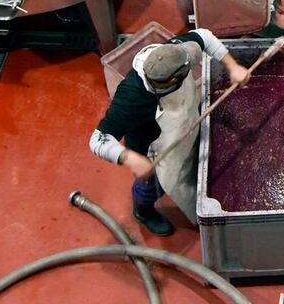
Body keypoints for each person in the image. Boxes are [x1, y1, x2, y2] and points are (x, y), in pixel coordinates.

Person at [89, 28, 249, 236]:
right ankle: (143, 211)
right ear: (171, 82)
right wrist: (129, 158)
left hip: (186, 125)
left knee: (193, 164)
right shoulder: (130, 98)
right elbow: (97, 140)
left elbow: (205, 37)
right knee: (152, 187)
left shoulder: (176, 52)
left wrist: (232, 65)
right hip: (154, 151)